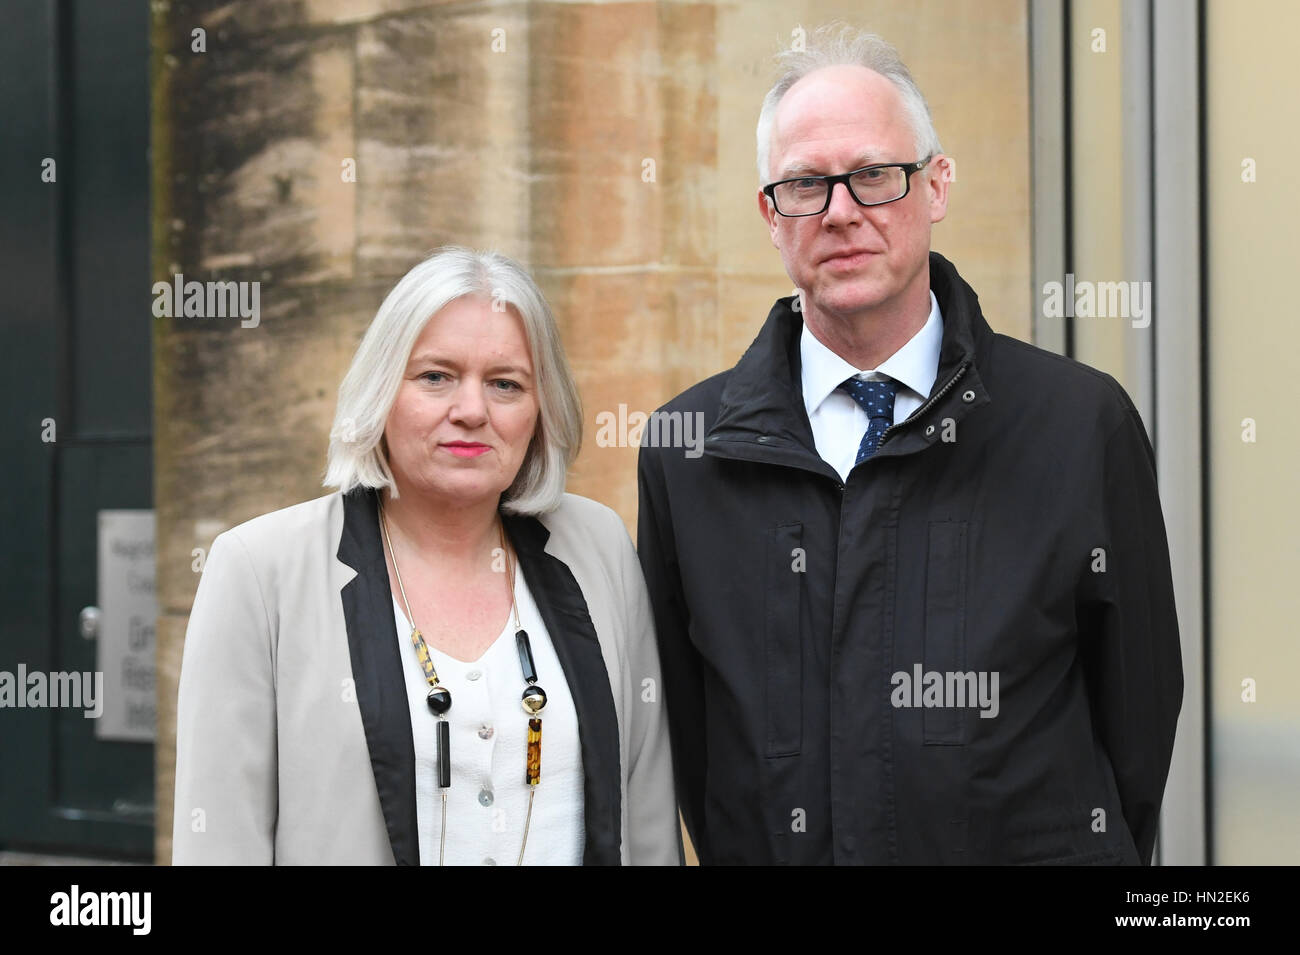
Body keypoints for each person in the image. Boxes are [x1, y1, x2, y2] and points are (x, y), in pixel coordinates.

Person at [636, 25, 1183, 865]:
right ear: (770, 216)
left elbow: (1136, 727)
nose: (842, 211)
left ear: (936, 186)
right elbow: (699, 745)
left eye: (874, 176)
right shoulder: (689, 453)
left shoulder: (1080, 425)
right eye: (806, 184)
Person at [173, 246, 680, 865]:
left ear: (540, 411)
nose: (471, 411)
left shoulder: (597, 546)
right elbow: (220, 840)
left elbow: (648, 813)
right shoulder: (259, 570)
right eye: (435, 376)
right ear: (382, 391)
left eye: (505, 384)